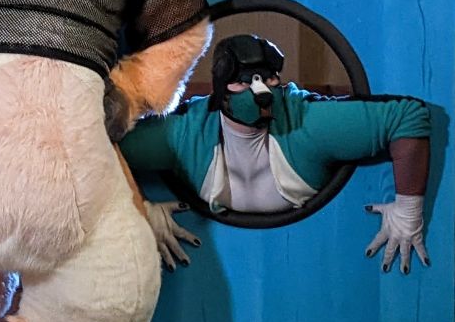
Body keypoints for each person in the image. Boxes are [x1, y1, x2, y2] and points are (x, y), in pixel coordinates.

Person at [118, 34, 431, 275]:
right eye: (244, 81)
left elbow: (407, 117)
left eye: (268, 78)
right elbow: (97, 147)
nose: (261, 91)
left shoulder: (307, 124)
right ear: (222, 90)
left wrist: (408, 209)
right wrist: (137, 208)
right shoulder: (185, 136)